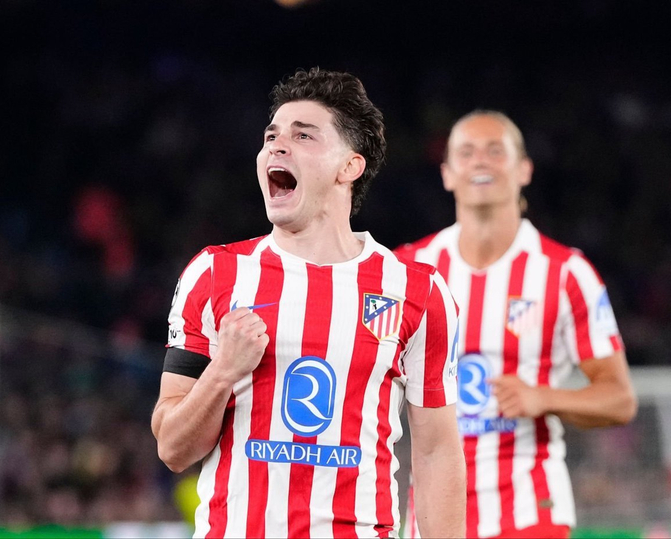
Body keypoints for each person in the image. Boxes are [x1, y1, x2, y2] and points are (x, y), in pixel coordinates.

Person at [151, 68, 466, 538]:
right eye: (271, 136)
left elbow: (437, 451)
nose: (277, 146)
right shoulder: (214, 274)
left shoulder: (417, 292)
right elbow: (173, 450)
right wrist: (222, 372)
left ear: (349, 167)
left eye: (303, 135)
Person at [395, 110, 637, 539]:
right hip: (432, 515)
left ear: (524, 169)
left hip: (531, 510)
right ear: (447, 174)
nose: (480, 160)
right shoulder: (409, 270)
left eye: (495, 150)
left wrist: (544, 397)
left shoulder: (565, 273)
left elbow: (620, 400)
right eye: (466, 152)